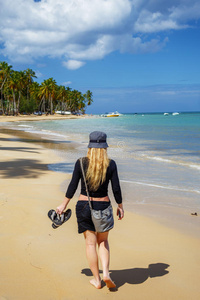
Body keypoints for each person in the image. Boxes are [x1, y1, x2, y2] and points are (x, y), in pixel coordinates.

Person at [56, 131, 124, 289]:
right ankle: (106, 273)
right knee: (103, 242)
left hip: (84, 207)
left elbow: (73, 185)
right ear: (104, 147)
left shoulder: (80, 162)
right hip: (103, 207)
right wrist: (120, 206)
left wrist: (63, 205)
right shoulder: (111, 164)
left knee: (90, 244)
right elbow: (116, 188)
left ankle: (97, 280)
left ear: (90, 146)